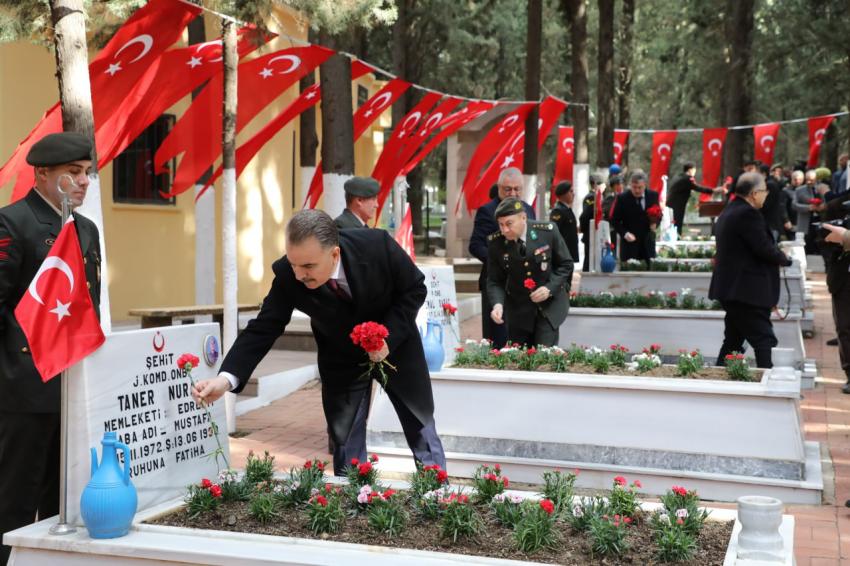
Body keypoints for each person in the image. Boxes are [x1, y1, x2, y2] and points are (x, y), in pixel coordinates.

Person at [191, 210, 445, 475]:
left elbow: (414, 288)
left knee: (420, 423)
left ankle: (439, 497)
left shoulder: (377, 247)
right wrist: (225, 379)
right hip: (341, 357)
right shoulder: (290, 275)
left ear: (334, 254)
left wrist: (387, 337)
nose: (299, 274)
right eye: (293, 264)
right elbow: (264, 327)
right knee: (344, 438)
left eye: (308, 266)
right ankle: (354, 502)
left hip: (397, 347)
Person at [0, 132, 101, 565]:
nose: (83, 182)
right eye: (72, 174)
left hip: (72, 388)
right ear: (42, 174)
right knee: (15, 500)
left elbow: (90, 308)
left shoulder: (85, 229)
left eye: (87, 174)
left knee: (62, 501)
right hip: (22, 388)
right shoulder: (12, 222)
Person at [708, 172, 792, 369]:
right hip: (745, 291)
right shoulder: (747, 213)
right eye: (764, 191)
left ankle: (721, 380)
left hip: (735, 289)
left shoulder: (732, 209)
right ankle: (768, 385)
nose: (766, 195)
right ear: (754, 193)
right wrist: (785, 259)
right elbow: (762, 247)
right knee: (764, 339)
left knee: (734, 341)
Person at [487, 197, 573, 348]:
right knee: (518, 361)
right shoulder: (497, 243)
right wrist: (498, 304)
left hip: (548, 308)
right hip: (519, 310)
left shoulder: (547, 232)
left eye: (509, 224)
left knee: (543, 360)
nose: (504, 230)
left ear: (523, 218)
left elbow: (566, 264)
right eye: (501, 225)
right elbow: (495, 280)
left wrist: (549, 288)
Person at [468, 168, 535, 349]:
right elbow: (475, 245)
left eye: (517, 189)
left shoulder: (528, 210)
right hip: (496, 283)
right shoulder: (487, 211)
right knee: (498, 342)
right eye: (508, 189)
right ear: (499, 188)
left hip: (524, 287)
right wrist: (500, 262)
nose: (513, 193)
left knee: (524, 342)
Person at [610, 170, 659, 267]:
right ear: (630, 185)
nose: (636, 191)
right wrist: (625, 233)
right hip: (629, 246)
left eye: (639, 188)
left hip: (648, 244)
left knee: (650, 273)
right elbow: (614, 220)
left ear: (645, 185)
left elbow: (658, 214)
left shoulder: (653, 196)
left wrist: (655, 223)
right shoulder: (622, 198)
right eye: (634, 187)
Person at [666, 163, 719, 235]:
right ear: (690, 170)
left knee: (673, 221)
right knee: (677, 222)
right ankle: (676, 237)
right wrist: (713, 190)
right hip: (678, 204)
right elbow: (698, 188)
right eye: (694, 170)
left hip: (671, 203)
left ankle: (674, 235)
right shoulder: (688, 179)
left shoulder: (679, 177)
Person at [793, 170, 827, 254]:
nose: (809, 182)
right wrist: (808, 207)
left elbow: (826, 202)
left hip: (819, 219)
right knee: (805, 243)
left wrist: (822, 206)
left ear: (816, 179)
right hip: (805, 221)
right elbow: (794, 205)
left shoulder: (821, 188)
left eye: (811, 180)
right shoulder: (799, 190)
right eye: (807, 179)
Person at [549, 181, 579, 275]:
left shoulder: (567, 209)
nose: (573, 194)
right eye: (570, 191)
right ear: (563, 194)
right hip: (562, 255)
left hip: (568, 253)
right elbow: (554, 233)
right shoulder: (558, 211)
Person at [759, 163, 792, 242]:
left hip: (771, 223)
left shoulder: (770, 185)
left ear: (763, 173)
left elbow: (766, 205)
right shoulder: (769, 183)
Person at [578, 175, 603, 272]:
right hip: (590, 232)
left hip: (596, 232)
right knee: (589, 260)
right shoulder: (592, 198)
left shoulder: (598, 196)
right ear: (595, 184)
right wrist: (585, 230)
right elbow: (585, 216)